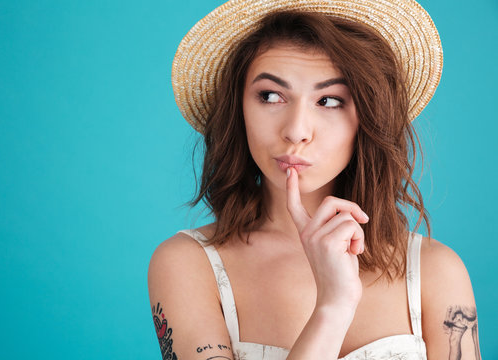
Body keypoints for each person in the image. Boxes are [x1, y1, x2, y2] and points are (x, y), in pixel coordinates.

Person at [149, 0, 481, 359]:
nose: (295, 131)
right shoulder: (188, 264)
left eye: (329, 101)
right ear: (239, 108)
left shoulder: (436, 271)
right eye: (271, 96)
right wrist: (334, 306)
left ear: (368, 118)